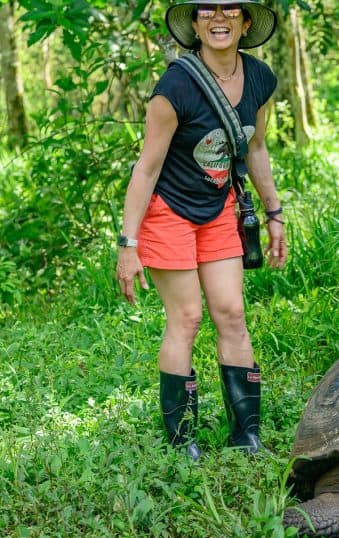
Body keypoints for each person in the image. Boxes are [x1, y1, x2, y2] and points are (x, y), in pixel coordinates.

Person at [115, 1, 287, 461]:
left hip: (218, 209)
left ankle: (246, 435)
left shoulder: (259, 79)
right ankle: (181, 441)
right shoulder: (175, 88)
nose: (219, 17)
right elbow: (146, 168)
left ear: (246, 22)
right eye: (206, 8)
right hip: (169, 211)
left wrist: (275, 213)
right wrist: (128, 244)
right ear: (194, 24)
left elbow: (256, 146)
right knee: (187, 317)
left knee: (231, 313)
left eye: (230, 8)